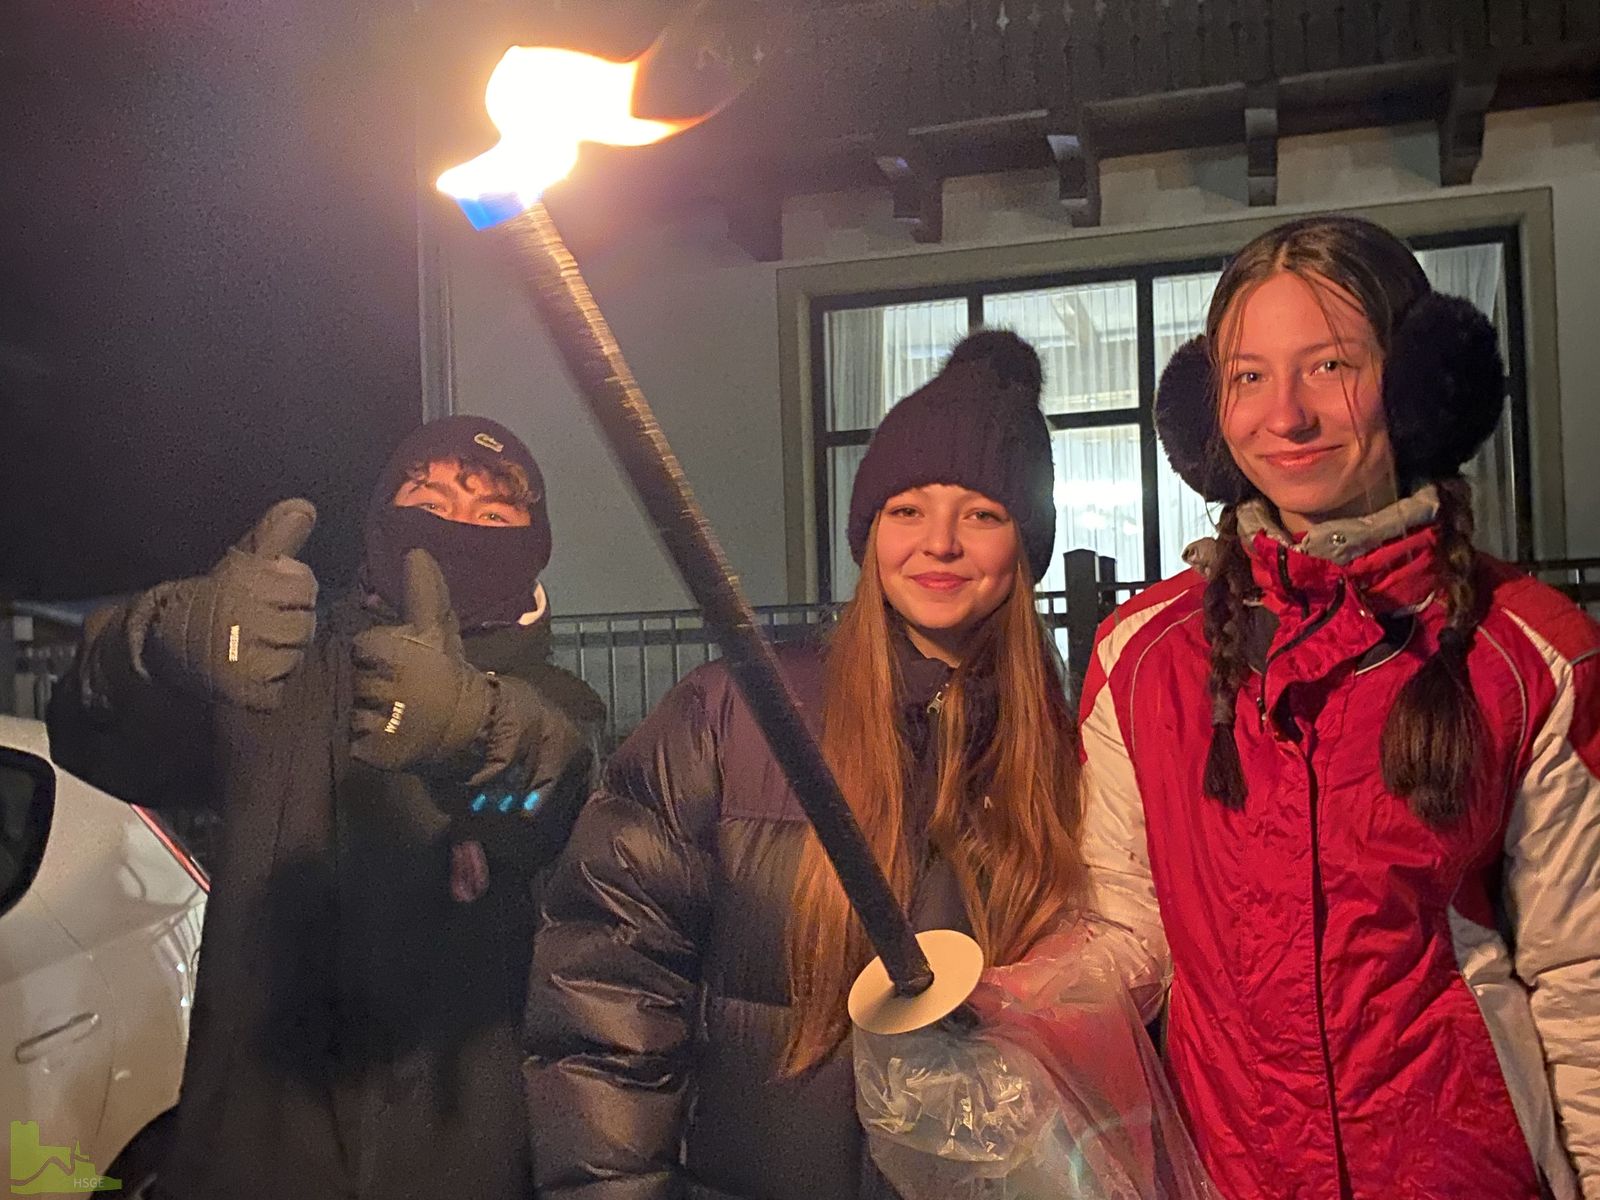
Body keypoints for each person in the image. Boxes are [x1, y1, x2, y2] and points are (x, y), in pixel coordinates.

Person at [1079, 214, 1600, 1199]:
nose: (1285, 415)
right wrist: (1009, 1006)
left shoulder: (1529, 650)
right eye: (1247, 377)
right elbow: (1125, 939)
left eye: (1327, 367)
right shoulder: (1142, 657)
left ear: (1415, 385)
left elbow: (1584, 970)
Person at [524, 331, 1086, 1199]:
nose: (938, 542)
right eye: (906, 509)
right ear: (868, 535)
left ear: (1026, 543)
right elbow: (607, 986)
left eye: (980, 513)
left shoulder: (1062, 752)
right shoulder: (737, 715)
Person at [48, 415, 604, 1200]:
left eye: (490, 515)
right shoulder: (277, 669)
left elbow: (544, 793)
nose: (452, 524)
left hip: (458, 1154)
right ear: (382, 513)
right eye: (429, 494)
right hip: (252, 1149)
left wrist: (472, 727)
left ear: (531, 547)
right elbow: (91, 739)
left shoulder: (557, 699)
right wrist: (158, 648)